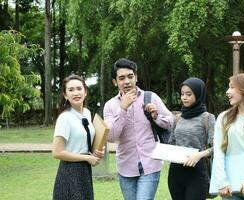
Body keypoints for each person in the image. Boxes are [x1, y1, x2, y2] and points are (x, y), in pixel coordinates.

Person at [103, 58, 175, 200]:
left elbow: (171, 121)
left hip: (151, 164)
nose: (127, 81)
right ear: (115, 82)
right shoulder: (110, 105)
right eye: (121, 78)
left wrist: (156, 116)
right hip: (126, 166)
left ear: (136, 77)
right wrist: (122, 108)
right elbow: (111, 136)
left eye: (130, 76)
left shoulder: (150, 97)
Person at [52, 74, 104, 200]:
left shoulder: (87, 113)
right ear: (65, 95)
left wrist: (96, 152)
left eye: (79, 89)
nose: (76, 93)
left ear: (85, 92)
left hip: (85, 171)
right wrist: (86, 158)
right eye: (71, 90)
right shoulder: (65, 118)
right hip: (69, 171)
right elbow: (57, 152)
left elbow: (83, 141)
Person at [167, 77, 216, 200]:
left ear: (199, 94)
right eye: (182, 94)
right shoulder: (178, 118)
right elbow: (171, 143)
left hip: (197, 171)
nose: (184, 97)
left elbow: (217, 147)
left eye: (189, 94)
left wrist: (200, 155)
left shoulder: (208, 118)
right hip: (176, 171)